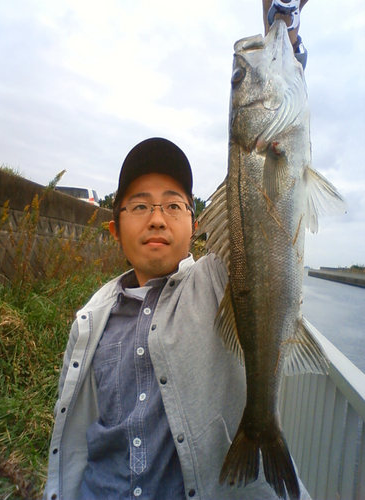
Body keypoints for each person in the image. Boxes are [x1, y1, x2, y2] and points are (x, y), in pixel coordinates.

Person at [44, 4, 312, 500]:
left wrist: (288, 36)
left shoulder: (214, 283)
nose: (157, 217)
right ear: (114, 227)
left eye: (174, 204)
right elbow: (76, 434)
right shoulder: (89, 320)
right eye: (139, 205)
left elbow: (260, 222)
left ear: (197, 224)